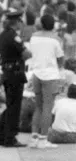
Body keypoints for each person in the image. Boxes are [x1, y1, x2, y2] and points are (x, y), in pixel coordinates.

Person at [29, 14, 65, 148]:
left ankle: (33, 137)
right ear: (53, 25)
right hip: (50, 75)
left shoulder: (34, 36)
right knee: (47, 108)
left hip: (36, 73)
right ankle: (43, 139)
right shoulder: (56, 39)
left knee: (38, 106)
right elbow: (60, 58)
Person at [0, 8, 32, 147]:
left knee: (9, 105)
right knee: (14, 107)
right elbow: (27, 54)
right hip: (15, 74)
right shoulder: (14, 36)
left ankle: (3, 133)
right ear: (16, 22)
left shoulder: (3, 35)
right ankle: (10, 137)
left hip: (7, 72)